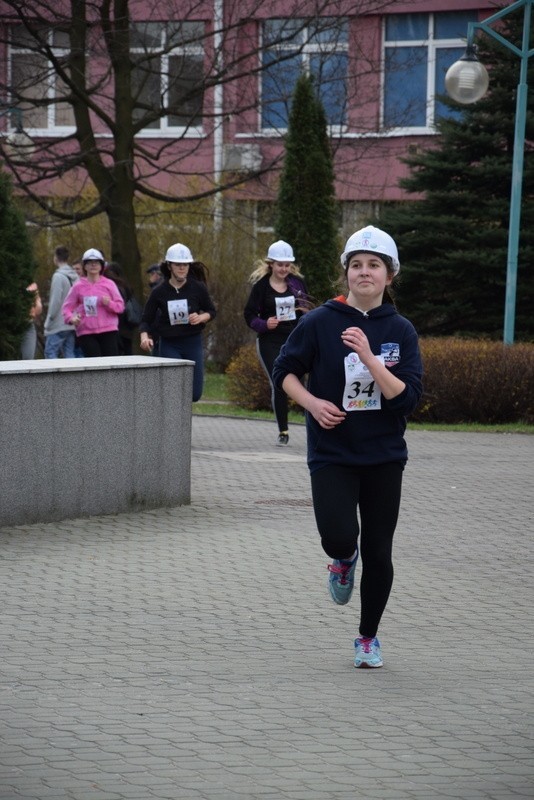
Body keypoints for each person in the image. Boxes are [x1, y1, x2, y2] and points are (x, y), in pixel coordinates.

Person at [272, 226, 423, 669]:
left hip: (383, 456)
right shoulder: (319, 321)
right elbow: (285, 372)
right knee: (339, 536)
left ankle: (368, 638)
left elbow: (408, 398)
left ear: (389, 276)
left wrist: (371, 357)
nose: (364, 272)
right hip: (333, 452)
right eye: (356, 265)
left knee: (381, 551)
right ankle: (342, 559)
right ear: (346, 273)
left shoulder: (401, 330)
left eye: (374, 265)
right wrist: (313, 403)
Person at [244, 240, 310, 447]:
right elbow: (249, 315)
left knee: (300, 382)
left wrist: (305, 312)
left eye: (287, 265)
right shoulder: (261, 287)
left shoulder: (297, 284)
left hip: (294, 339)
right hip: (270, 341)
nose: (283, 269)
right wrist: (265, 324)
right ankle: (283, 430)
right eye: (279, 264)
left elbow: (308, 307)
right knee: (280, 382)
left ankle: (313, 426)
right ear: (271, 264)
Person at [139, 243, 216, 401]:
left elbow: (211, 311)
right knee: (171, 391)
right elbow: (146, 320)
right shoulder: (159, 292)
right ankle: (173, 423)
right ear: (169, 266)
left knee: (194, 394)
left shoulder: (197, 287)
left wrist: (201, 317)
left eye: (185, 265)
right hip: (169, 344)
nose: (182, 268)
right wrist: (144, 338)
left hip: (192, 342)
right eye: (178, 265)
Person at [62, 248, 125, 357]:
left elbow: (120, 307)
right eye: (89, 263)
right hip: (86, 332)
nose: (93, 265)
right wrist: (71, 318)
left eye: (96, 262)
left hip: (108, 330)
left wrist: (109, 303)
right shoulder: (77, 286)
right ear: (84, 266)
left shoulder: (109, 284)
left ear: (101, 266)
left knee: (110, 365)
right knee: (94, 366)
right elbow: (66, 308)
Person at [44, 245, 79, 358]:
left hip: (59, 322)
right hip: (71, 322)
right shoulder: (75, 276)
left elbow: (55, 301)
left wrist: (49, 320)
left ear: (56, 258)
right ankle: (75, 375)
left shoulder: (58, 276)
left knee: (50, 352)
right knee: (69, 353)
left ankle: (52, 376)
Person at [104, 261, 141, 355]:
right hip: (128, 328)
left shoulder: (114, 287)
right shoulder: (126, 286)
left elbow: (119, 307)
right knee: (128, 353)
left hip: (119, 327)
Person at [20, 282, 42, 359]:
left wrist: (35, 297)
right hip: (10, 324)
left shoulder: (32, 284)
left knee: (28, 360)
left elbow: (39, 309)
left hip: (28, 324)